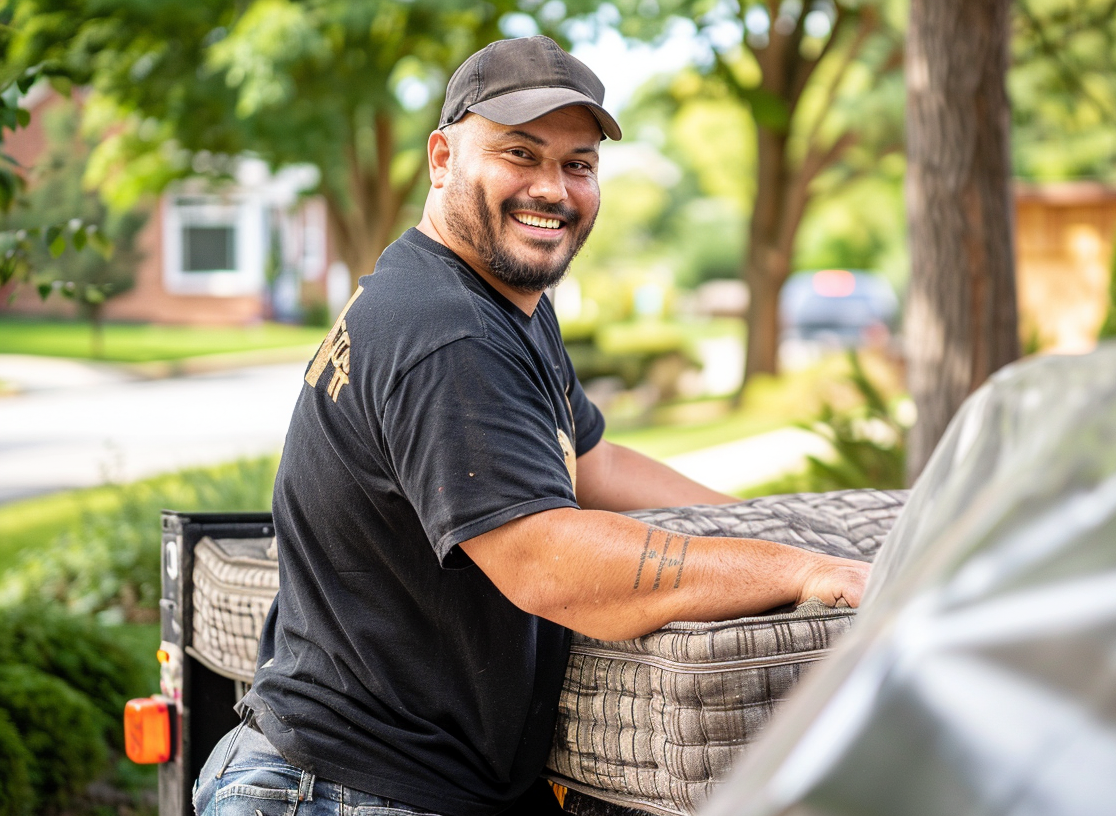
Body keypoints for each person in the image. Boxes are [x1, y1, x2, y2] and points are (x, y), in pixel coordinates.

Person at [191, 35, 870, 816]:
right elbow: (547, 563)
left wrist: (764, 523)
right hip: (343, 791)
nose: (553, 188)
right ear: (442, 156)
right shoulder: (448, 332)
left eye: (578, 164)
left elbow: (591, 462)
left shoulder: (495, 298)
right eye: (521, 154)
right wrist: (791, 571)